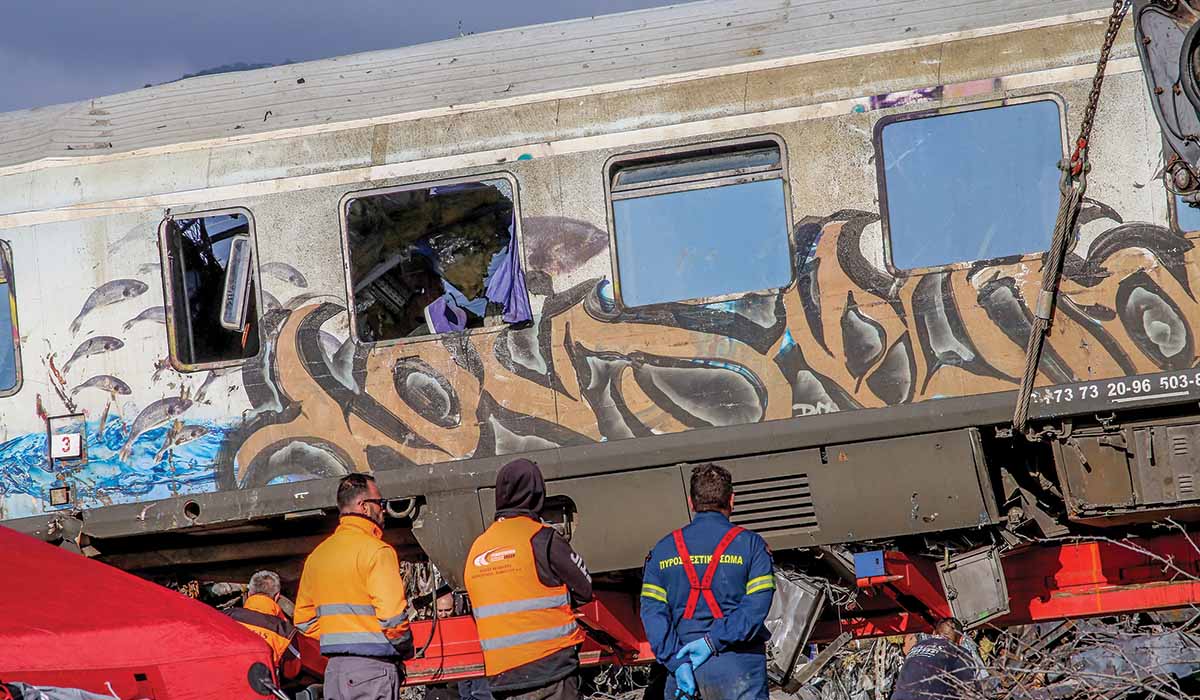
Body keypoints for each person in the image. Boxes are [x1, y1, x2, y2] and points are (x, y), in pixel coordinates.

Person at [640, 463, 776, 700]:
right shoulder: (752, 546)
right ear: (732, 500)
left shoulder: (663, 550)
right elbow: (755, 610)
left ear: (692, 503)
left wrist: (676, 661)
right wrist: (712, 642)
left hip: (684, 672)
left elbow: (652, 613)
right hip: (739, 669)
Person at [463, 459, 593, 700]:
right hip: (551, 669)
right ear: (537, 495)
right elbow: (584, 588)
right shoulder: (542, 538)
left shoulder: (477, 548)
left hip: (502, 678)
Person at [295, 473, 414, 700]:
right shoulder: (377, 551)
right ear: (364, 507)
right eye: (379, 503)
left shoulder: (317, 556)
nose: (384, 509)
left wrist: (340, 638)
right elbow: (393, 619)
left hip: (335, 674)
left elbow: (303, 620)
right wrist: (405, 648)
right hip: (372, 671)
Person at [225, 570, 298, 673]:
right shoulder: (284, 631)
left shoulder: (225, 616)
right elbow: (292, 671)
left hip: (224, 679)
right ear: (277, 596)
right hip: (260, 686)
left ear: (249, 594)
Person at [891, 618, 978, 700]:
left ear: (935, 633)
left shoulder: (916, 647)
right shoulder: (958, 651)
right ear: (961, 639)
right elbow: (967, 690)